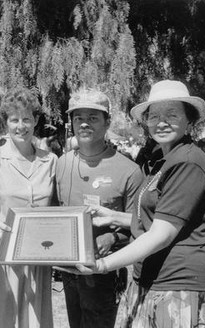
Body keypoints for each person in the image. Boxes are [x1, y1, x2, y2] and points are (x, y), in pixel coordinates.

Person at [61, 80, 205, 327]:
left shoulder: (187, 163)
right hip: (157, 278)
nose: (161, 121)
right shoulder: (165, 160)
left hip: (180, 285)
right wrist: (113, 216)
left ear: (189, 120)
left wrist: (103, 264)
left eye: (172, 114)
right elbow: (158, 218)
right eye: (154, 115)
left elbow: (161, 234)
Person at [53, 88, 143, 328]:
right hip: (69, 271)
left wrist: (113, 238)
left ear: (107, 122)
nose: (84, 124)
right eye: (78, 118)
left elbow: (140, 227)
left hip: (105, 274)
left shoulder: (129, 171)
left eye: (93, 118)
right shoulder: (62, 164)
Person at [0, 88, 56, 328]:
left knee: (36, 318)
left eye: (26, 119)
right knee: (5, 317)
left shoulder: (50, 160)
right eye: (14, 120)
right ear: (6, 123)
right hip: (3, 250)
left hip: (40, 253)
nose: (20, 126)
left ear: (35, 121)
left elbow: (58, 209)